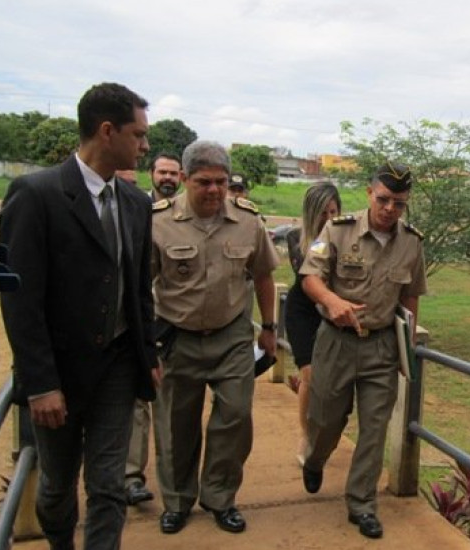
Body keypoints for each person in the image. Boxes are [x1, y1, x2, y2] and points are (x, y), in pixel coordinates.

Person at [0, 82, 159, 550]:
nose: (145, 145)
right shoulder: (36, 195)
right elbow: (20, 302)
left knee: (108, 484)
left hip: (117, 365)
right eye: (138, 134)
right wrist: (42, 383)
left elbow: (138, 290)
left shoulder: (136, 203)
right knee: (56, 485)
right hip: (59, 371)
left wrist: (147, 352)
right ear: (106, 131)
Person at [151, 140, 279, 535]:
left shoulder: (247, 221)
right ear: (185, 179)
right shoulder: (156, 222)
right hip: (178, 338)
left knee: (236, 417)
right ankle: (177, 501)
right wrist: (146, 346)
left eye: (221, 182)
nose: (214, 190)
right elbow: (140, 287)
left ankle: (220, 497)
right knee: (177, 424)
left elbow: (263, 276)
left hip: (233, 337)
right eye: (204, 182)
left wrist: (271, 329)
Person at [299, 161, 427, 539]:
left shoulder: (412, 242)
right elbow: (309, 277)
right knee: (325, 420)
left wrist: (408, 346)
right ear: (370, 193)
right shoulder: (338, 230)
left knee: (374, 428)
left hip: (382, 348)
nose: (390, 209)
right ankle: (315, 458)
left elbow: (411, 296)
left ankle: (362, 504)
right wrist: (331, 301)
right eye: (384, 199)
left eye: (399, 203)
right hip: (336, 344)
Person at [123, 153, 182, 507]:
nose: (168, 178)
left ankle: (174, 482)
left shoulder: (186, 216)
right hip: (140, 317)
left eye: (174, 173)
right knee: (136, 401)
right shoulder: (134, 207)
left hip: (174, 325)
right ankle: (131, 476)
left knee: (168, 405)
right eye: (162, 172)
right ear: (152, 174)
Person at [282, 182, 342, 465]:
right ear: (312, 213)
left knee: (330, 384)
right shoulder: (298, 239)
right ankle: (306, 434)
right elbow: (310, 277)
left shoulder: (346, 237)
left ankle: (324, 433)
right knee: (310, 375)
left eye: (334, 211)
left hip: (333, 315)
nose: (329, 218)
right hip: (303, 313)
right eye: (323, 213)